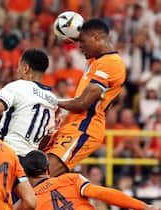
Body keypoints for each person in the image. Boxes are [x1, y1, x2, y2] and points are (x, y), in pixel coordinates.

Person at [42, 18, 126, 176]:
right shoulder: (97, 62)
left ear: (96, 37)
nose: (79, 46)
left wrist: (52, 100)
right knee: (39, 177)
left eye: (82, 41)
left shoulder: (112, 63)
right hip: (73, 125)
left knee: (42, 176)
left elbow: (82, 104)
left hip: (85, 127)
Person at [22, 150, 158, 210]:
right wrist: (143, 206)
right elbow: (101, 193)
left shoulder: (27, 202)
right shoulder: (70, 178)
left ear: (26, 175)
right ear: (48, 169)